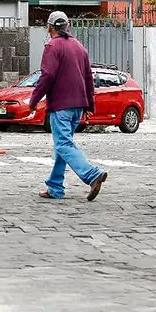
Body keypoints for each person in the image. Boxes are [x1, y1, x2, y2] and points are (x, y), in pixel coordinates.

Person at [29, 11, 108, 201]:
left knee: (63, 144)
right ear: (67, 26)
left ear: (49, 28)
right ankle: (55, 187)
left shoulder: (52, 46)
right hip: (78, 106)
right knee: (62, 147)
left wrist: (34, 100)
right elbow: (89, 78)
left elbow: (46, 76)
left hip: (61, 105)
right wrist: (90, 106)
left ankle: (91, 174)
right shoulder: (79, 47)